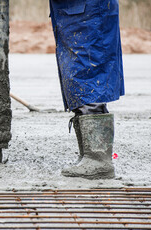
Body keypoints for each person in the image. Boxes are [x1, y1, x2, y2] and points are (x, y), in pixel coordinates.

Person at [49, 0, 124, 179]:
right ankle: (90, 156)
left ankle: (98, 160)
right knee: (80, 74)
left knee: (88, 73)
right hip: (78, 12)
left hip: (87, 13)